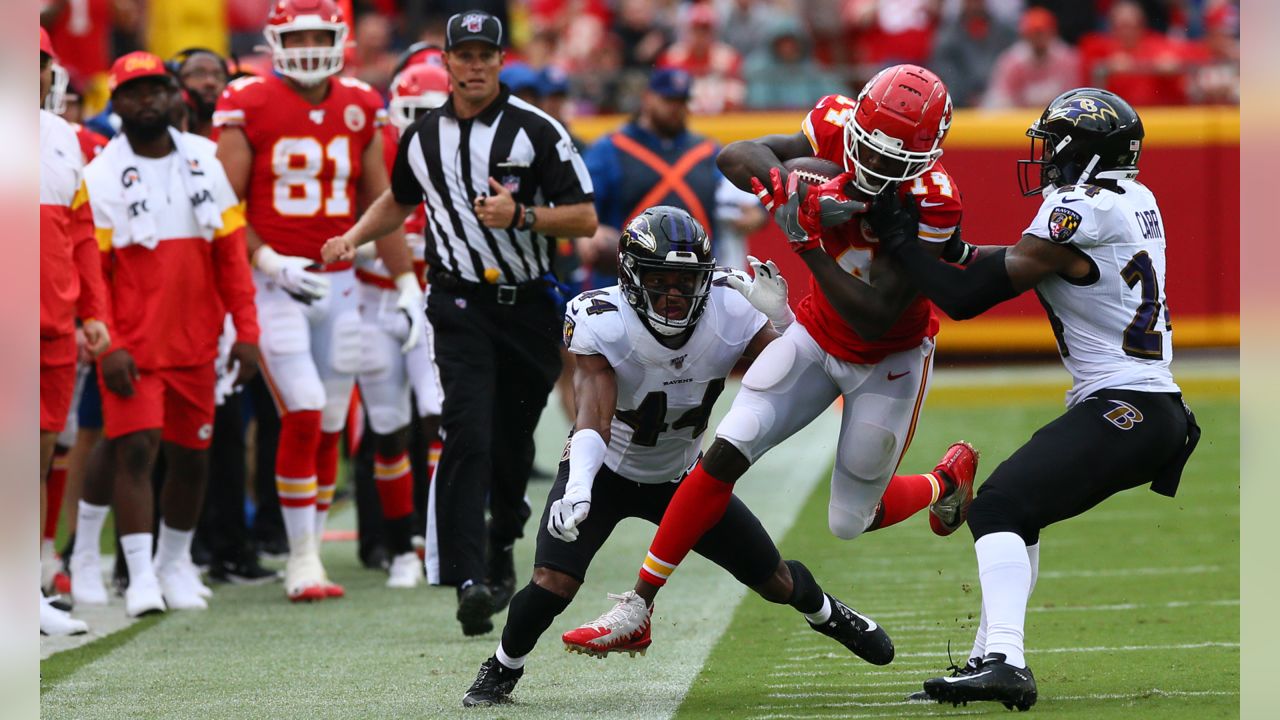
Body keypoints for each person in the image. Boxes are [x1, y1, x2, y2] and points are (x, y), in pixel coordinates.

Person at [563, 65, 979, 655]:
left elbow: (875, 314)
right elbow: (737, 155)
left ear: (929, 155)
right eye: (869, 148)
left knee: (849, 520)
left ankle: (945, 480)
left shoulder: (932, 203)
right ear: (855, 124)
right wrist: (786, 190)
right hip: (813, 334)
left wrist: (806, 237)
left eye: (896, 159)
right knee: (725, 452)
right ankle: (639, 605)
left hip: (888, 357)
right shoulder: (834, 123)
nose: (876, 167)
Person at [461, 207, 894, 707]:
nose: (674, 294)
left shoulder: (730, 310)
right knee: (553, 581)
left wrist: (786, 322)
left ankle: (826, 613)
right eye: (660, 280)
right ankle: (502, 667)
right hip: (604, 467)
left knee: (774, 580)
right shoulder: (601, 319)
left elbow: (795, 378)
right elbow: (593, 419)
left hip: (685, 477)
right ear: (629, 278)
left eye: (685, 282)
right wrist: (578, 485)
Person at [867, 88, 1199, 710]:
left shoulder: (1079, 208)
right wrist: (957, 251)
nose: (1044, 157)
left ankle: (1005, 663)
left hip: (1127, 405)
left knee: (996, 506)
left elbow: (966, 301)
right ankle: (987, 657)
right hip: (1146, 409)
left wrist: (904, 244)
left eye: (1052, 145)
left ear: (1081, 151)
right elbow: (1022, 263)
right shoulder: (1132, 198)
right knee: (1018, 511)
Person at [321, 9, 597, 635]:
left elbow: (583, 217)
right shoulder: (421, 137)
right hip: (458, 305)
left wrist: (522, 216)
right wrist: (354, 235)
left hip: (527, 305)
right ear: (445, 62)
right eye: (463, 54)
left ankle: (502, 534)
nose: (474, 65)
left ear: (501, 61)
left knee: (510, 441)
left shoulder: (537, 131)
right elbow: (399, 198)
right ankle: (469, 578)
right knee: (465, 430)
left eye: (484, 55)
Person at [214, 0, 423, 602]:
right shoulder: (248, 101)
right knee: (304, 408)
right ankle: (302, 558)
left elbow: (382, 204)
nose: (308, 45)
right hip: (274, 283)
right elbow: (227, 208)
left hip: (340, 284)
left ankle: (308, 552)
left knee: (330, 419)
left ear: (339, 37)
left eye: (318, 33)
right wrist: (267, 259)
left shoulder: (359, 103)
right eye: (297, 33)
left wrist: (406, 281)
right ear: (276, 39)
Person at [70, 51, 260, 617]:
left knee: (192, 458)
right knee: (134, 449)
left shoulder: (205, 159)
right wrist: (108, 343)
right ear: (116, 104)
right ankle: (140, 575)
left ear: (175, 96)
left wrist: (245, 332)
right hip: (132, 342)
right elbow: (93, 271)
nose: (147, 99)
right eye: (133, 92)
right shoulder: (100, 174)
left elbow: (230, 256)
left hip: (196, 340)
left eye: (157, 88)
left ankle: (175, 563)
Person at [352, 60, 450, 588]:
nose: (421, 127)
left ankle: (436, 536)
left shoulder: (461, 162)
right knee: (387, 427)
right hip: (373, 301)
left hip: (432, 304)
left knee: (439, 420)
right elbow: (348, 230)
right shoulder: (372, 158)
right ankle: (401, 545)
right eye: (412, 115)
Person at [40, 26, 111, 637]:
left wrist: (92, 310)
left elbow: (82, 234)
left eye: (38, 63)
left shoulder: (62, 135)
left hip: (55, 324)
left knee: (37, 458)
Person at [578, 67, 719, 288]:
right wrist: (589, 231)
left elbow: (740, 205)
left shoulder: (708, 151)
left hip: (692, 280)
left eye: (682, 101)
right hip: (628, 278)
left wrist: (751, 214)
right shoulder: (610, 148)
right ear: (647, 98)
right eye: (668, 100)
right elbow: (581, 205)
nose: (676, 108)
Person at [981, 7, 1081, 110]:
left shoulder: (1067, 60)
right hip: (1018, 121)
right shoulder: (1012, 63)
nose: (1037, 38)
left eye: (1041, 33)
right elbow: (999, 100)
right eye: (1032, 33)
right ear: (1024, 35)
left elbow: (1075, 97)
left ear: (1052, 32)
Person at [171, 48, 230, 139]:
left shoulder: (236, 137)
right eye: (199, 74)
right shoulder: (162, 138)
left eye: (218, 75)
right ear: (178, 82)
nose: (210, 82)